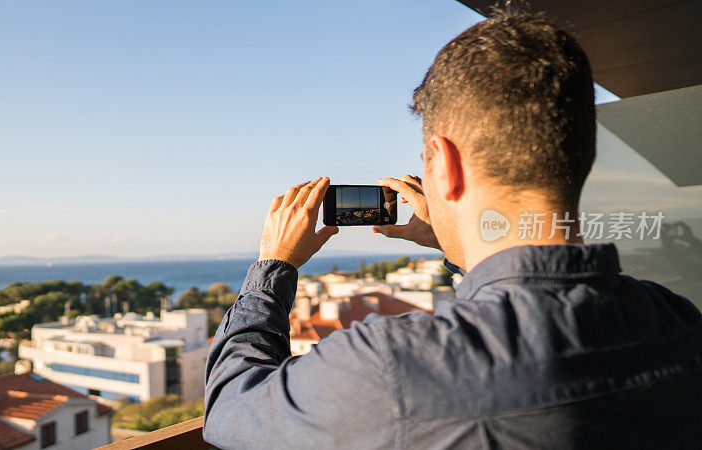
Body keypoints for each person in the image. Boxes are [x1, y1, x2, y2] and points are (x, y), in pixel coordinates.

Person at [203, 12, 702, 449]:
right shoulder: (675, 320)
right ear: (582, 157)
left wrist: (274, 266)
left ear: (442, 164)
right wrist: (456, 244)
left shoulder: (394, 366)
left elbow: (230, 410)